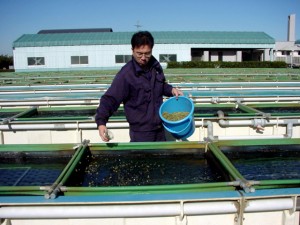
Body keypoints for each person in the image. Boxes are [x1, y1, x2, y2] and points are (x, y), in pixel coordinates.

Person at [95, 31, 183, 142]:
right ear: (132, 50)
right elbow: (110, 98)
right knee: (143, 158)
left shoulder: (155, 68)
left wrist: (171, 89)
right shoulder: (126, 74)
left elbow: (159, 86)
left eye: (147, 53)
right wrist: (101, 122)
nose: (143, 57)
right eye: (139, 53)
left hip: (160, 129)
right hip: (141, 133)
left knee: (160, 158)